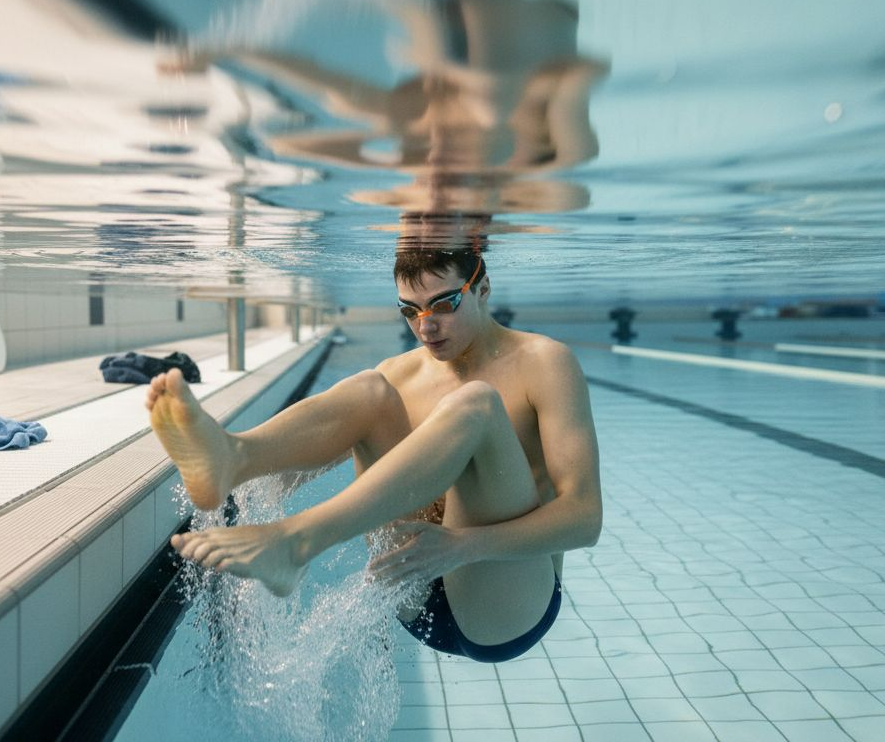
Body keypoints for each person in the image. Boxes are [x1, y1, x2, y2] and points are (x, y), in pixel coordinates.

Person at [144, 243, 602, 662]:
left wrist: (463, 546)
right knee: (371, 389)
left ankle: (297, 541)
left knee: (476, 404)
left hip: (503, 601)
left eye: (444, 303)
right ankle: (235, 457)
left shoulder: (544, 362)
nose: (426, 326)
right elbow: (305, 465)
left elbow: (583, 519)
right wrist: (261, 487)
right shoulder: (402, 373)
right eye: (410, 310)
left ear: (482, 288)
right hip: (411, 590)